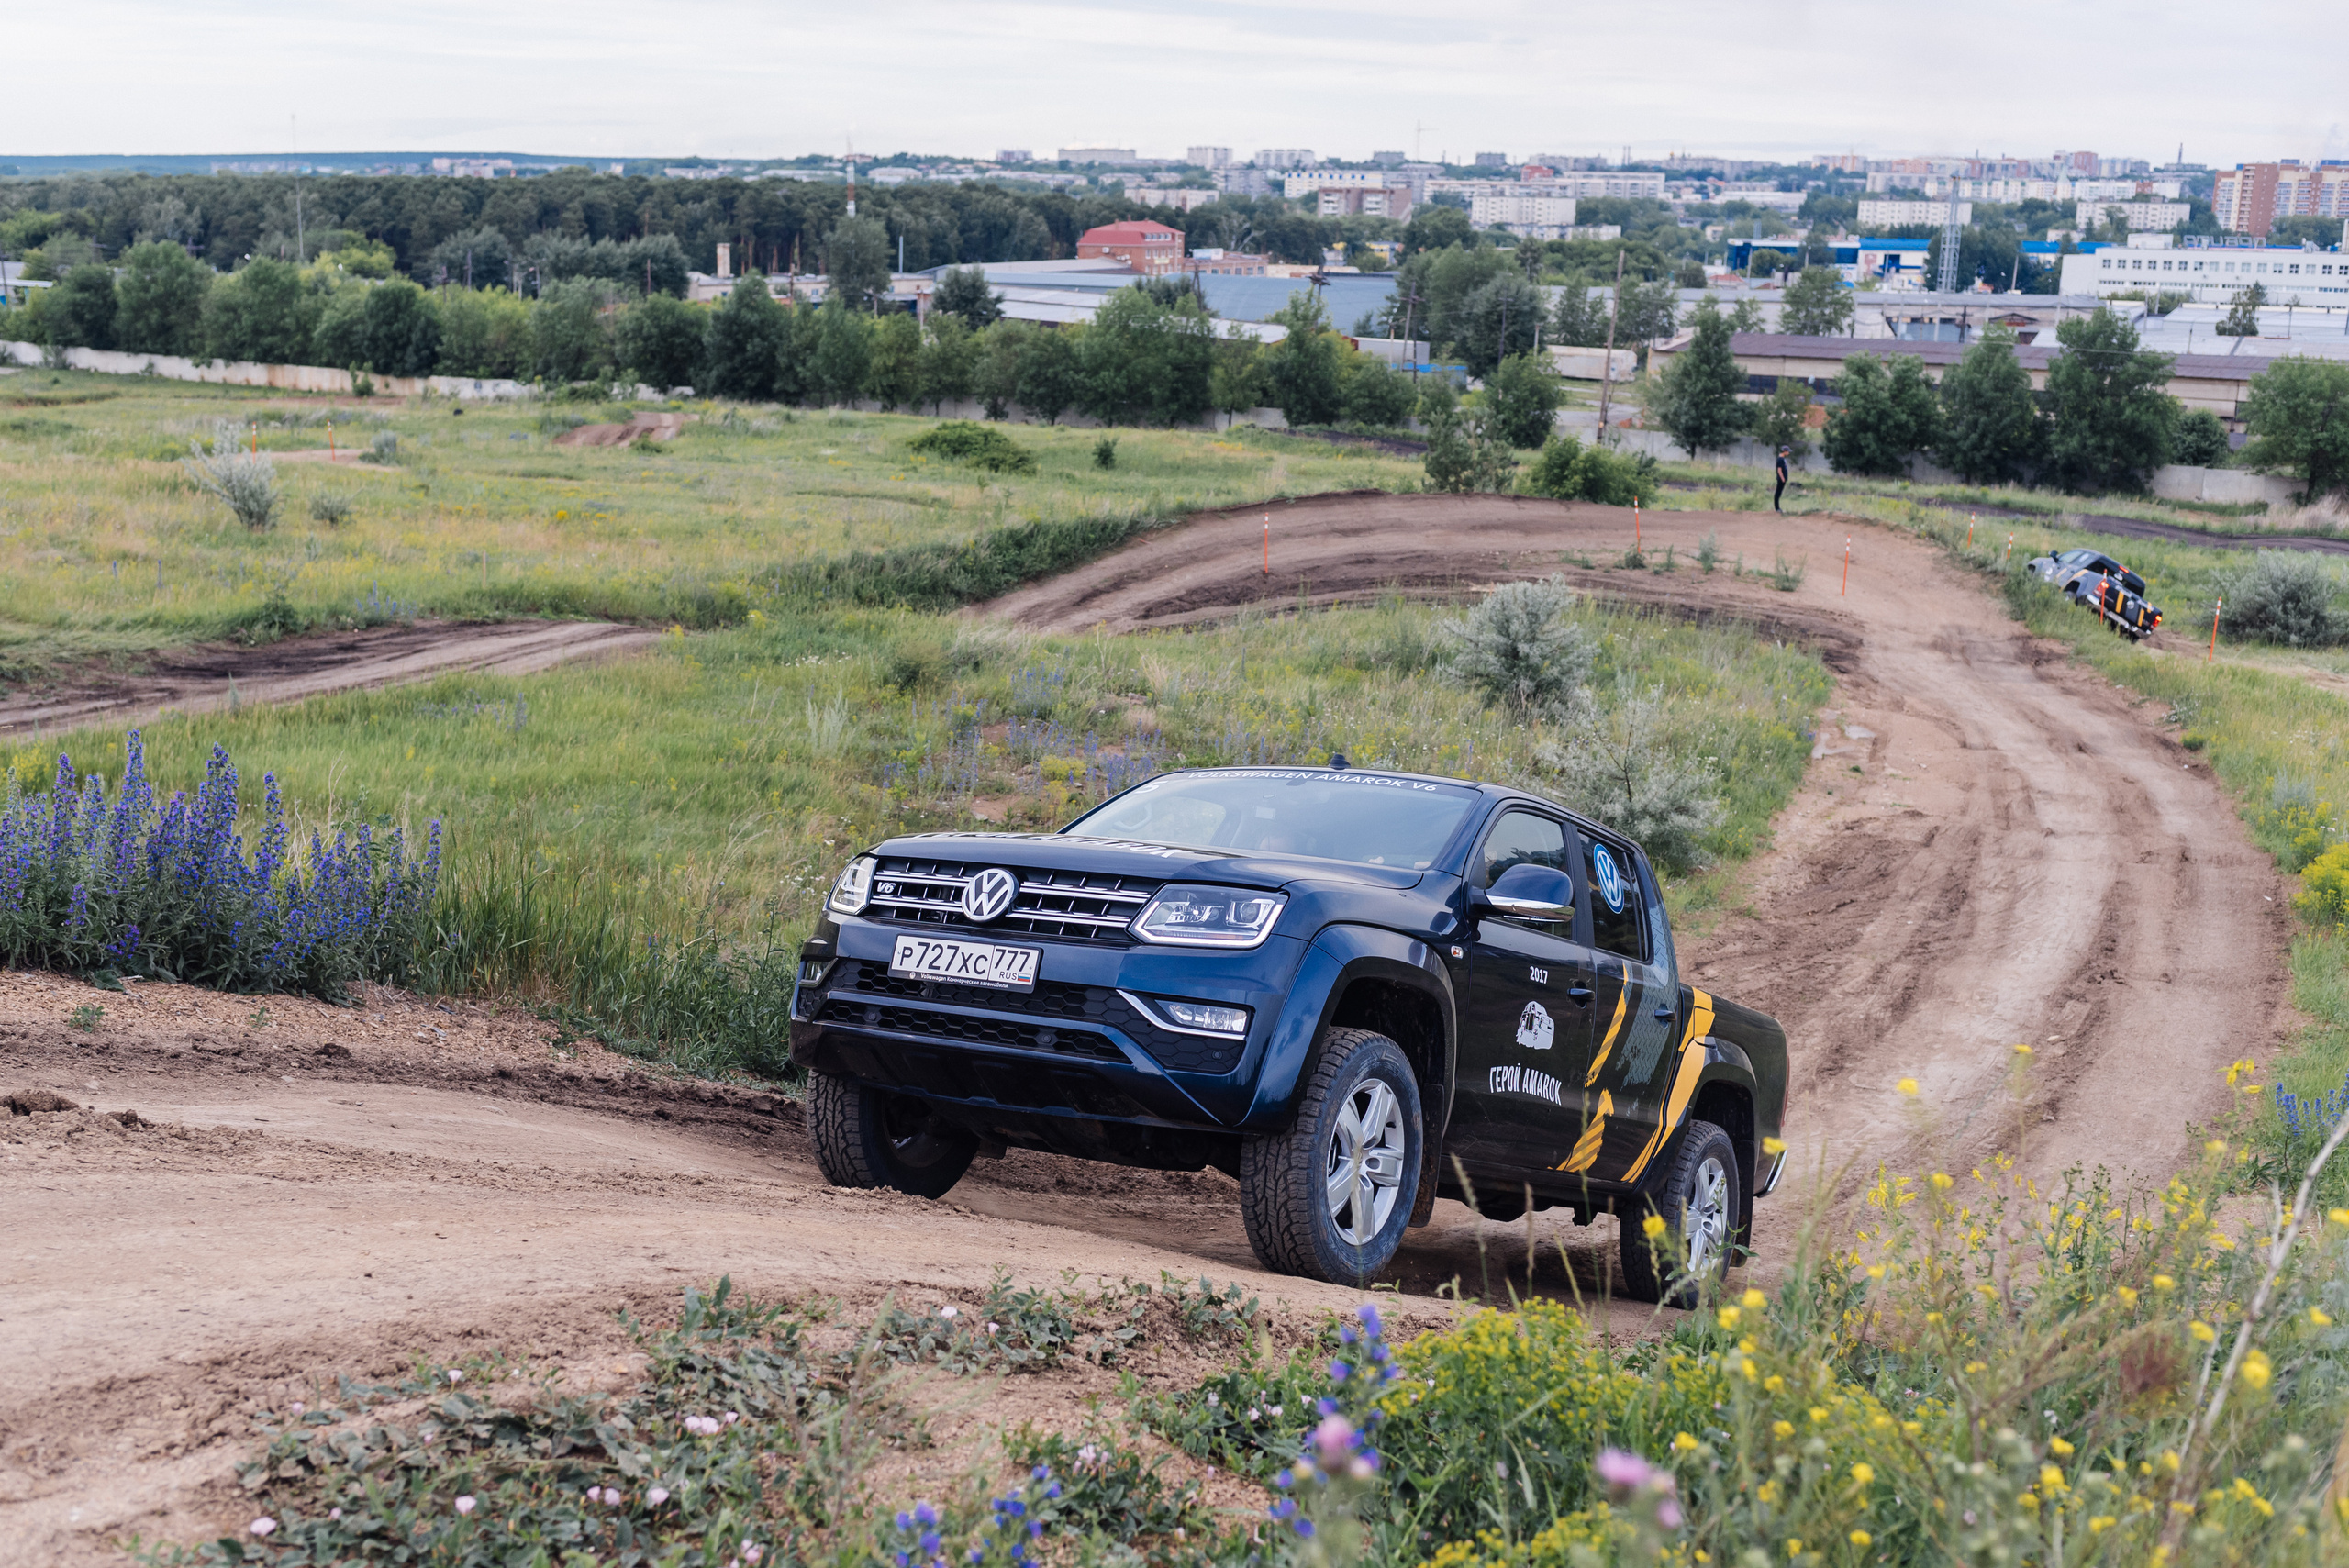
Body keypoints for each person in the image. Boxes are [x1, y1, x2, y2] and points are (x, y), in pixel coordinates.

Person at [1773, 445, 1791, 513]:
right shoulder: (1780, 459)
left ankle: (1778, 508)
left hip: (1782, 479)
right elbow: (1779, 470)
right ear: (1784, 451)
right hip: (1781, 479)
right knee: (1778, 493)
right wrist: (1783, 478)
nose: (1788, 453)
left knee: (1779, 493)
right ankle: (1777, 508)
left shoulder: (1782, 459)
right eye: (1788, 451)